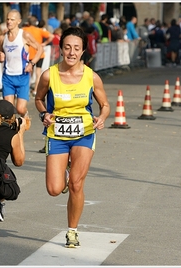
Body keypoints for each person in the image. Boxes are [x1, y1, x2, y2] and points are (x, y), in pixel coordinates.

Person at [34, 27, 110, 248]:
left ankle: (72, 231)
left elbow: (105, 105)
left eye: (76, 48)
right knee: (54, 189)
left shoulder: (91, 77)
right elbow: (38, 99)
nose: (71, 52)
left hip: (84, 133)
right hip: (56, 135)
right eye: (67, 47)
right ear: (61, 49)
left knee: (76, 184)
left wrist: (101, 118)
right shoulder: (49, 75)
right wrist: (43, 114)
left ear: (83, 51)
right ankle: (65, 170)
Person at [0, 10, 43, 130]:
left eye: (12, 19)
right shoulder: (3, 37)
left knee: (20, 109)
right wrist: (0, 57)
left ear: (18, 21)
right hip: (7, 77)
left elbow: (40, 49)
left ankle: (25, 117)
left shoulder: (24, 35)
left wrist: (31, 64)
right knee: (8, 110)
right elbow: (0, 54)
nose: (9, 22)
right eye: (7, 19)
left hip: (22, 76)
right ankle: (12, 133)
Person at [22, 16, 54, 97]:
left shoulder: (24, 30)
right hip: (39, 54)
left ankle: (27, 89)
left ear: (28, 23)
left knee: (28, 72)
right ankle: (36, 90)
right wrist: (44, 44)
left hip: (30, 54)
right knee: (38, 72)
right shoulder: (39, 30)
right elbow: (51, 36)